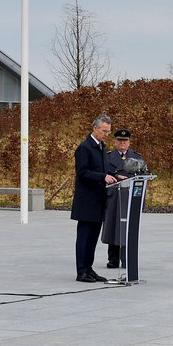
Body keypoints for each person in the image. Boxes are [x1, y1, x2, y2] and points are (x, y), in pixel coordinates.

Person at [71, 114, 117, 283]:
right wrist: (102, 177)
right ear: (95, 128)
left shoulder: (102, 147)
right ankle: (81, 270)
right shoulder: (85, 147)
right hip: (86, 201)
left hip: (99, 200)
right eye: (104, 131)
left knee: (93, 237)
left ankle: (88, 269)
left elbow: (104, 169)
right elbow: (82, 173)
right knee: (84, 237)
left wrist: (114, 176)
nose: (106, 134)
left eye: (109, 132)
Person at [102, 128, 144, 269]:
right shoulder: (107, 157)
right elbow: (103, 174)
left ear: (129, 143)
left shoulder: (137, 157)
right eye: (119, 140)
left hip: (130, 196)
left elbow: (142, 177)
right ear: (114, 142)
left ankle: (126, 258)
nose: (122, 143)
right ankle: (113, 258)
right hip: (114, 196)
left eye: (125, 141)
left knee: (128, 228)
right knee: (113, 226)